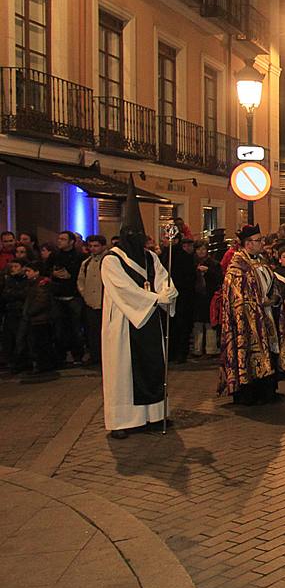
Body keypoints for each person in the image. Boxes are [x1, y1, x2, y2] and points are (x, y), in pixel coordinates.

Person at [101, 185, 177, 438]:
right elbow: (123, 290)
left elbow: (163, 279)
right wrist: (155, 298)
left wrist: (167, 292)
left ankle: (155, 415)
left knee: (153, 367)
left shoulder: (150, 258)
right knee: (124, 373)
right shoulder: (112, 260)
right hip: (126, 322)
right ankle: (122, 421)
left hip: (150, 321)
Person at [219, 224, 285, 406]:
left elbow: (272, 285)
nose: (262, 243)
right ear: (248, 243)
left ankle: (268, 390)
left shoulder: (262, 261)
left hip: (267, 315)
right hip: (247, 320)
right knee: (251, 353)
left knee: (270, 350)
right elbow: (236, 297)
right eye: (258, 240)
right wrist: (258, 304)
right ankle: (249, 393)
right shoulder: (237, 266)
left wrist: (275, 298)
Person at [48, 231, 86, 367]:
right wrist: (53, 273)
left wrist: (70, 275)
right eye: (59, 239)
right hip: (58, 295)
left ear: (71, 242)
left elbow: (81, 275)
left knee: (76, 328)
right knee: (59, 328)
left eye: (63, 239)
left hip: (73, 296)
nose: (60, 241)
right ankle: (61, 356)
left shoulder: (80, 257)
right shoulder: (54, 255)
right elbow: (46, 270)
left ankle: (78, 356)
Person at [163, 236, 198, 364]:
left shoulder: (184, 257)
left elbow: (189, 278)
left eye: (167, 238)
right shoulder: (164, 255)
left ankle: (180, 353)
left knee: (182, 326)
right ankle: (171, 352)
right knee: (171, 326)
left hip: (182, 297)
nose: (164, 241)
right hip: (168, 296)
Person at [21, 261, 56, 377]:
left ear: (36, 271)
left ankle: (44, 365)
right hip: (36, 318)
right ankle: (42, 364)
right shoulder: (31, 284)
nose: (26, 273)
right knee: (37, 343)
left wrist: (29, 312)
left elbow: (41, 301)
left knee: (41, 343)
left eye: (28, 271)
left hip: (40, 319)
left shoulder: (41, 284)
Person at [76, 235, 108, 367]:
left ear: (103, 246)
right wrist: (85, 295)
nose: (93, 249)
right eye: (91, 246)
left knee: (105, 332)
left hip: (105, 302)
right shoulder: (87, 262)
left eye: (96, 246)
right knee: (92, 332)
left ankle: (105, 357)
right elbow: (81, 281)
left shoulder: (108, 260)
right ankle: (95, 356)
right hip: (90, 302)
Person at [190, 241, 223, 358]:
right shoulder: (192, 263)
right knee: (198, 323)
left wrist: (208, 271)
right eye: (199, 249)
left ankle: (211, 349)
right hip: (197, 296)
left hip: (209, 295)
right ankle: (197, 348)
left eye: (203, 249)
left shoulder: (213, 264)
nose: (201, 252)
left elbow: (219, 278)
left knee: (210, 322)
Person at [1, 259, 28, 373]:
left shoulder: (26, 280)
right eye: (12, 267)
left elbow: (25, 294)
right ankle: (13, 361)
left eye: (16, 266)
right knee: (9, 338)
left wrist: (14, 294)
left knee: (21, 337)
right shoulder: (10, 280)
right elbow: (6, 294)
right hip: (11, 312)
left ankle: (23, 362)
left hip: (22, 312)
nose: (13, 269)